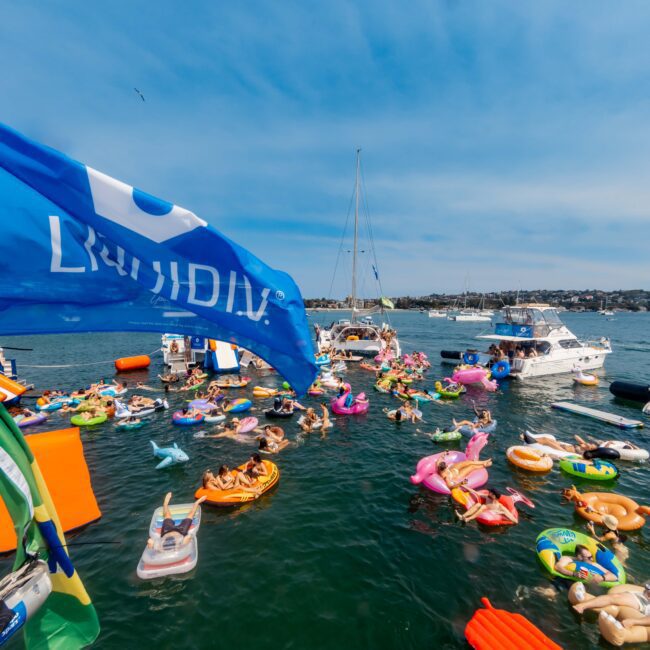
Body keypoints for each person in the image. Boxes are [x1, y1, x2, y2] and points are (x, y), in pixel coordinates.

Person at [572, 582, 650, 615]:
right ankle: (583, 599)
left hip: (645, 606)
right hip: (643, 598)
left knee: (615, 598)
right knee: (616, 599)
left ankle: (582, 604)